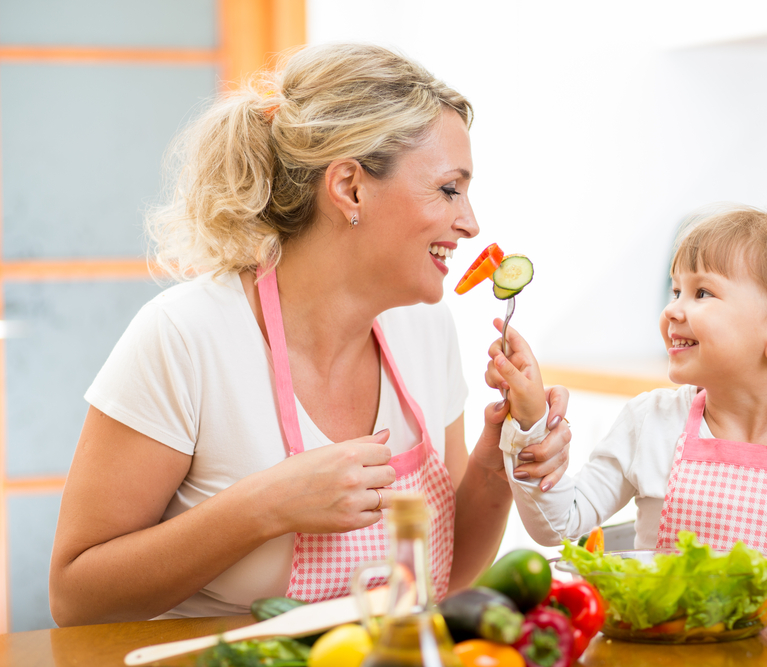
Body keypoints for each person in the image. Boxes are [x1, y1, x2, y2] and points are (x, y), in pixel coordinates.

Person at [48, 43, 572, 626]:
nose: (471, 223)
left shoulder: (426, 329)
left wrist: (499, 461)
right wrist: (267, 506)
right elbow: (76, 597)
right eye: (450, 189)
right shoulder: (185, 338)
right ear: (349, 187)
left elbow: (440, 580)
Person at [488, 207, 767, 613]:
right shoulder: (651, 421)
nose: (672, 310)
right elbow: (560, 524)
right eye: (676, 291)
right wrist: (531, 423)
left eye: (702, 293)